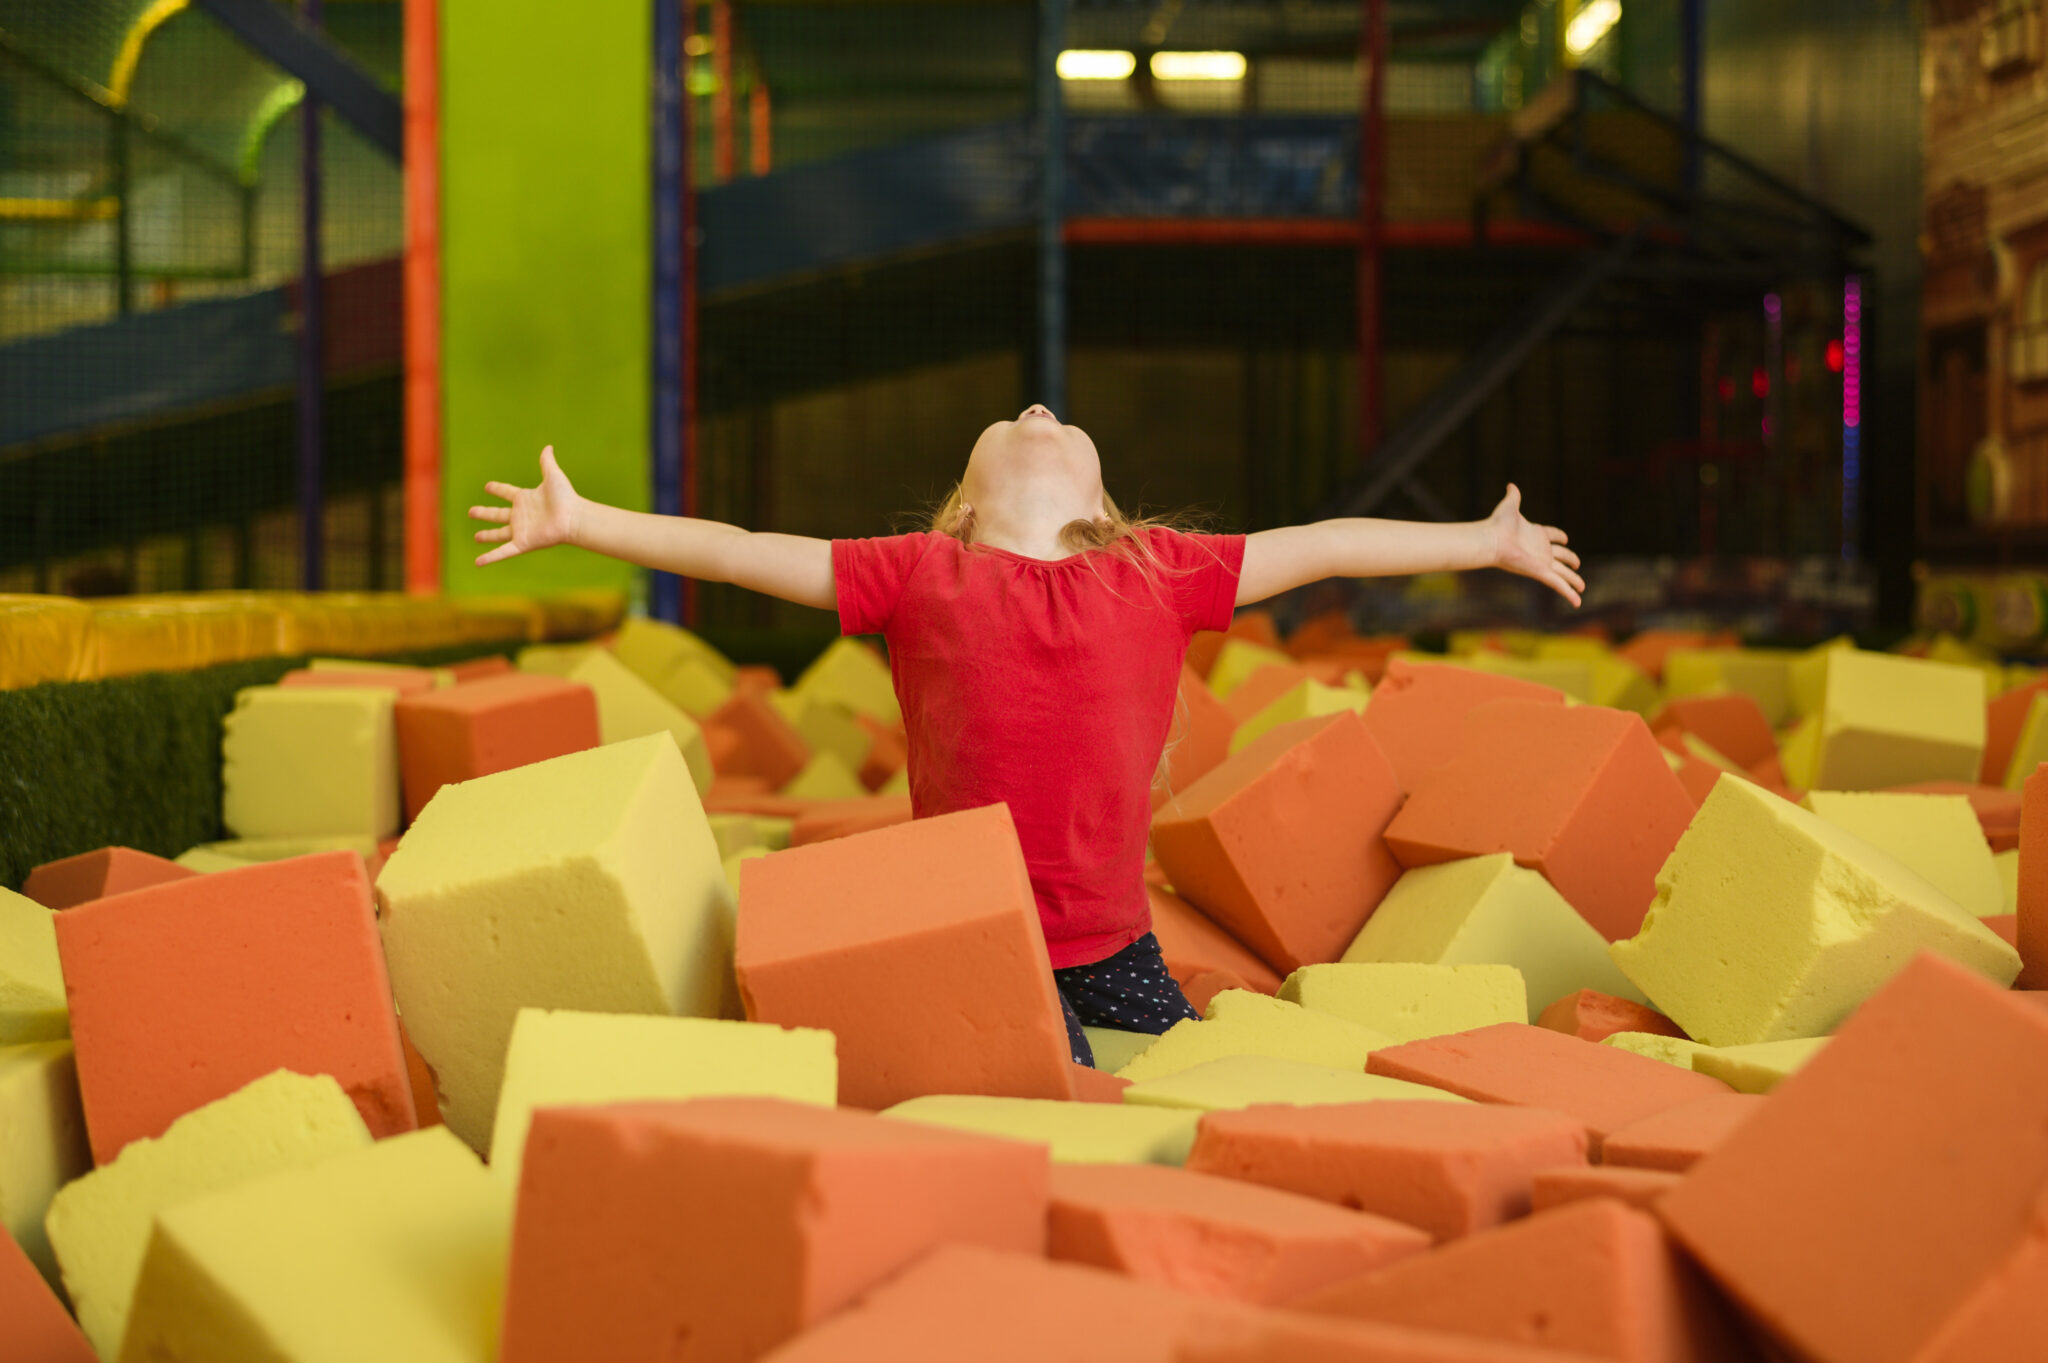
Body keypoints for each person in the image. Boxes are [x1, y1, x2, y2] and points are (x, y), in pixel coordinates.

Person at [470, 404, 1582, 1065]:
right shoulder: (917, 572)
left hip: (1115, 939)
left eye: (1053, 419)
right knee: (1047, 1091)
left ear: (1105, 506)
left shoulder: (1157, 570)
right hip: (974, 929)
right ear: (958, 504)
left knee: (1192, 1069)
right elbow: (736, 546)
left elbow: (1327, 543)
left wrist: (1482, 541)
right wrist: (582, 522)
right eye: (1014, 420)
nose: (1038, 412)